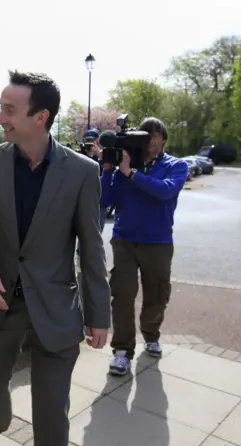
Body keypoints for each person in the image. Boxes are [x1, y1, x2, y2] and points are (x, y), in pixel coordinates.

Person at [0, 70, 110, 446]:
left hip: (56, 309)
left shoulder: (82, 171)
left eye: (9, 110)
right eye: (1, 108)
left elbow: (91, 246)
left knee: (50, 416)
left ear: (40, 117)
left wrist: (98, 314)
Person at [101, 117, 188, 376]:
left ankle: (151, 334)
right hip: (125, 239)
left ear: (163, 138)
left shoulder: (176, 165)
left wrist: (131, 173)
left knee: (156, 293)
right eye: (144, 135)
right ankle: (121, 351)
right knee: (122, 294)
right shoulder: (123, 167)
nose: (149, 140)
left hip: (157, 241)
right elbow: (105, 200)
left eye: (154, 135)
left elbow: (164, 191)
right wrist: (107, 170)